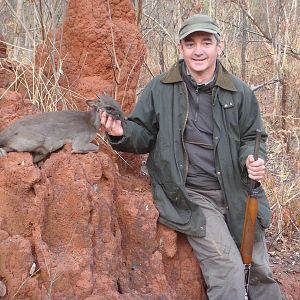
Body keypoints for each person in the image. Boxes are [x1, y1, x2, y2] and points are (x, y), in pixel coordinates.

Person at [100, 14, 282, 300]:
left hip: (238, 192)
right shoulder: (160, 88)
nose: (198, 50)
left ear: (219, 47)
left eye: (206, 42)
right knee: (229, 271)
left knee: (259, 270)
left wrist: (252, 158)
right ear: (180, 47)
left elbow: (253, 137)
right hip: (193, 196)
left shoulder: (240, 92)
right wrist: (120, 131)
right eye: (190, 43)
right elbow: (143, 133)